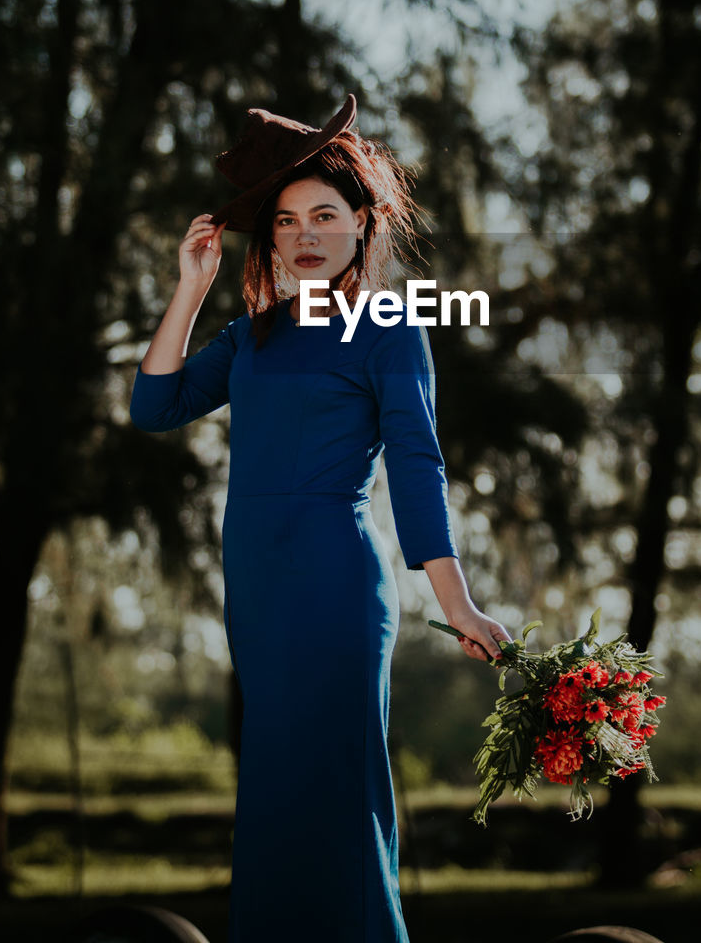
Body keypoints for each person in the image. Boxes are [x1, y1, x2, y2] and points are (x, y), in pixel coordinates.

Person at [129, 93, 511, 942]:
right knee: (272, 790)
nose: (304, 233)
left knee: (337, 792)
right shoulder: (248, 336)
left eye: (325, 215)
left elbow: (417, 469)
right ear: (266, 236)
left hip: (336, 586)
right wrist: (190, 291)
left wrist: (458, 605)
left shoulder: (389, 329)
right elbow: (152, 409)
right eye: (287, 218)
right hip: (257, 589)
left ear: (359, 226)